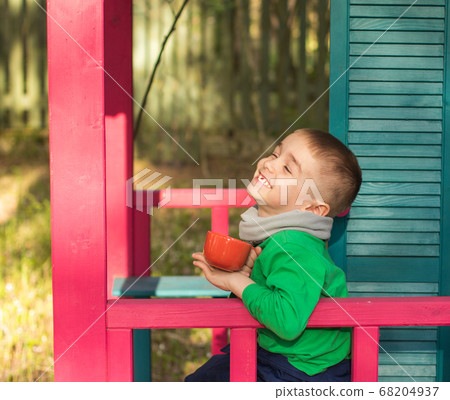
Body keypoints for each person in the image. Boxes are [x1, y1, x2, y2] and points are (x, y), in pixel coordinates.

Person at [186, 128, 362, 382]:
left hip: (303, 370)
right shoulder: (280, 239)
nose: (270, 163)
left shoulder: (294, 246)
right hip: (279, 355)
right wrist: (244, 279)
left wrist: (236, 282)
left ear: (311, 208)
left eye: (288, 169)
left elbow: (287, 321)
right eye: (275, 153)